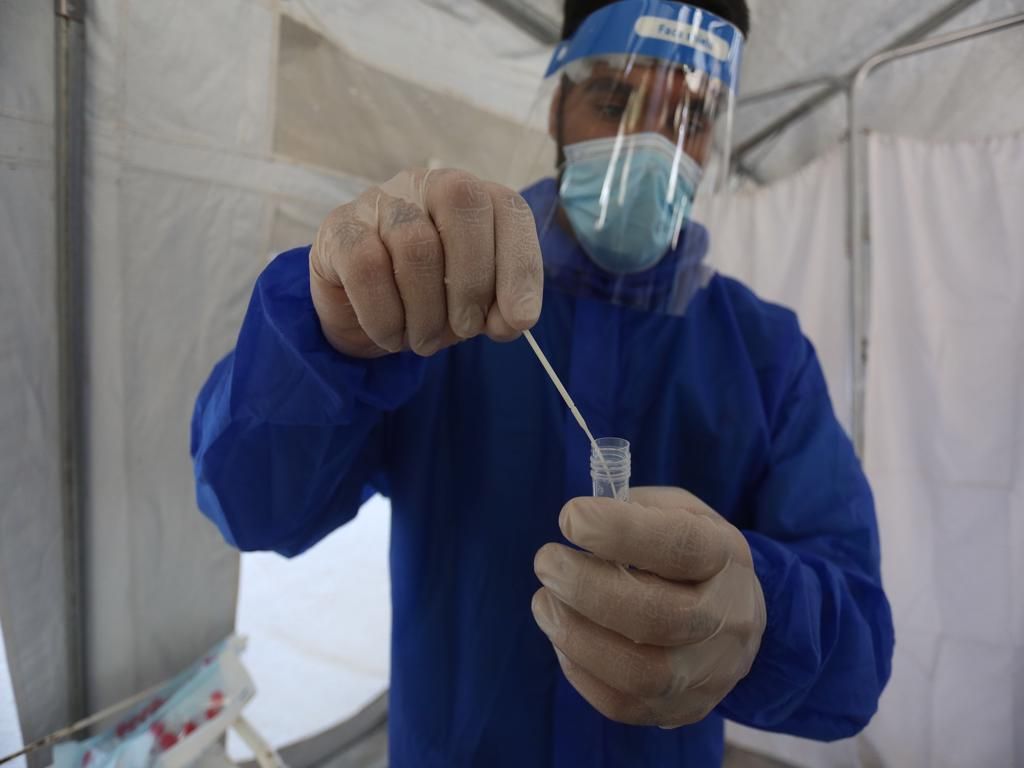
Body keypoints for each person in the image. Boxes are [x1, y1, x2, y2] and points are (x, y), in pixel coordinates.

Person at [191, 0, 894, 764]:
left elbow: (858, 659)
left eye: (689, 117)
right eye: (615, 100)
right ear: (559, 105)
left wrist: (763, 616)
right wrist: (325, 338)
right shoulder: (446, 296)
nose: (651, 145)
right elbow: (251, 507)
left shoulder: (765, 354)